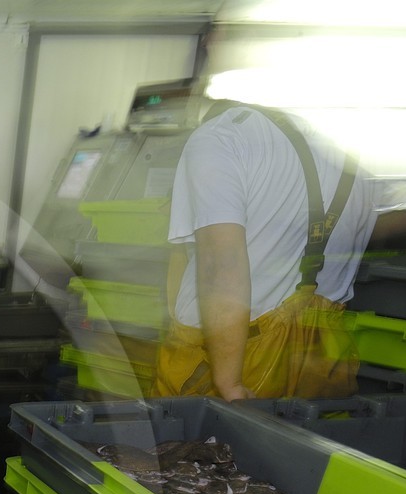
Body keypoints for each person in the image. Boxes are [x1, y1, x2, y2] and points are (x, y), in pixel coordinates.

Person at [150, 97, 377, 400]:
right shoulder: (358, 156)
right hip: (321, 359)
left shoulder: (223, 136)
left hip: (229, 362)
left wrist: (229, 383)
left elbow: (221, 263)